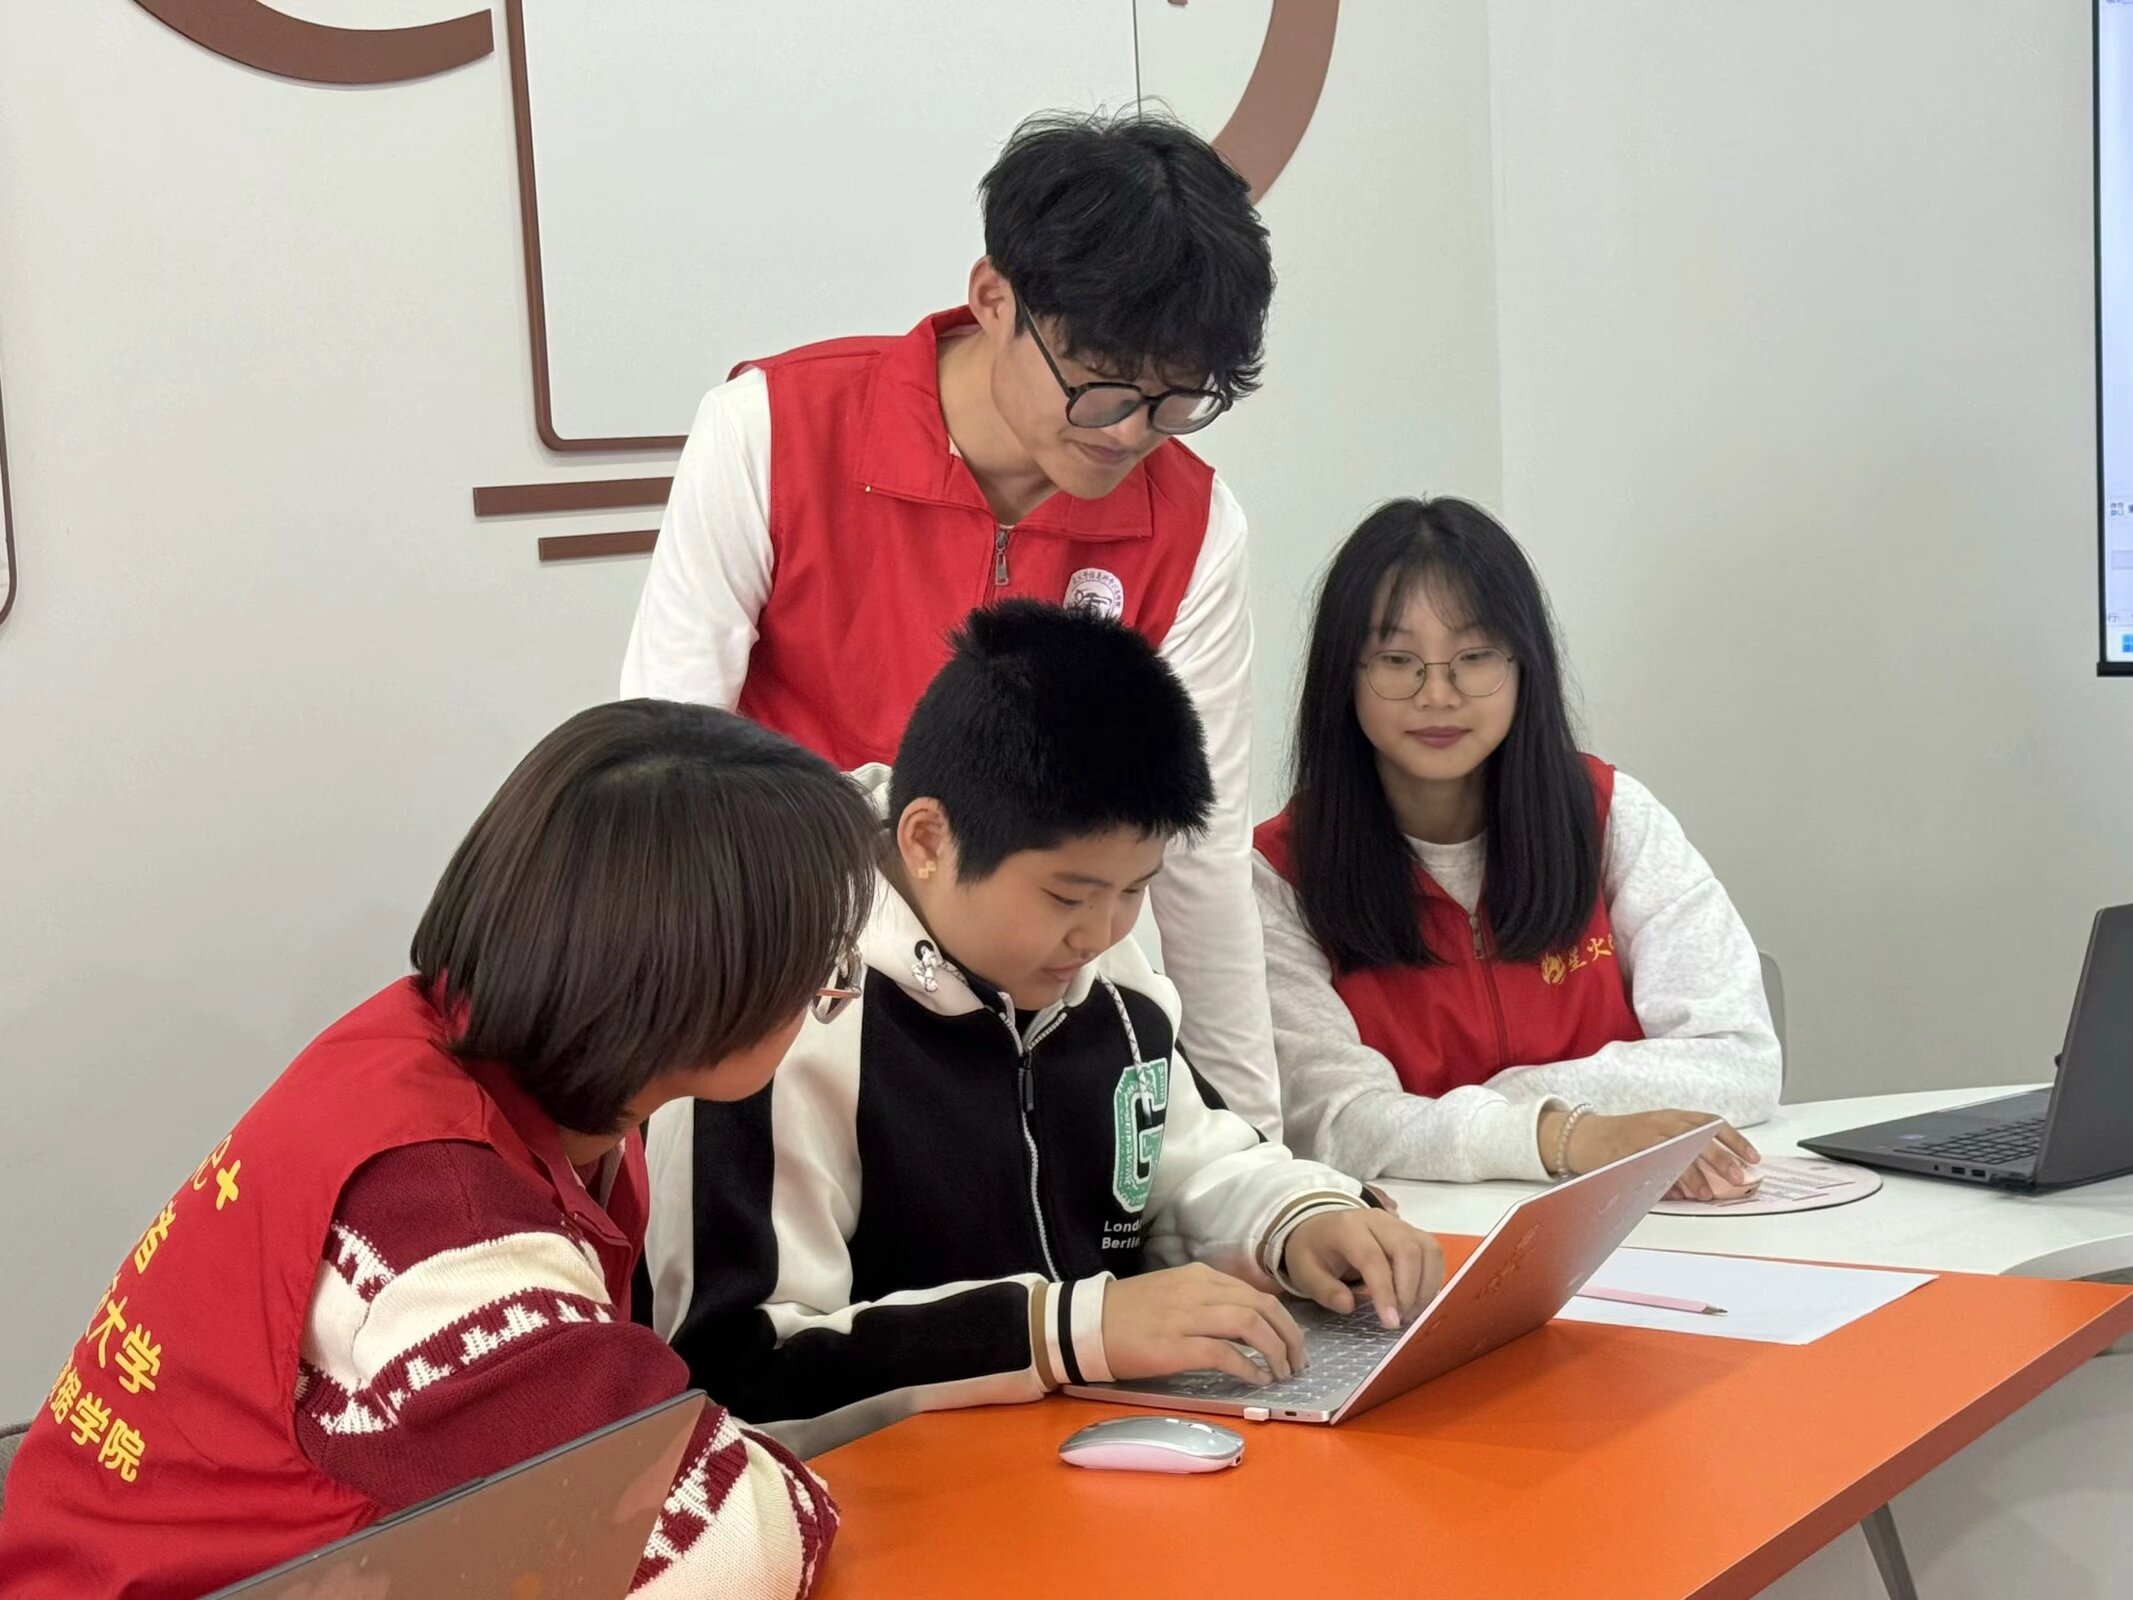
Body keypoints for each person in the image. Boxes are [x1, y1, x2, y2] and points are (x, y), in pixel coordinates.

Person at [0, 702, 876, 1600]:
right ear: (704, 990)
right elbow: (720, 1554)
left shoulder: (454, 1051)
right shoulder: (439, 1227)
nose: (828, 992)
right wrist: (777, 1481)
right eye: (821, 966)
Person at [619, 110, 1285, 1136]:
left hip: (1032, 1015)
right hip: (783, 988)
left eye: (1175, 401)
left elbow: (1199, 861)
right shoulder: (773, 431)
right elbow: (661, 770)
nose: (1129, 433)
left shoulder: (1193, 527)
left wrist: (1261, 1140)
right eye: (1101, 385)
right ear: (993, 298)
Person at [644, 603, 1445, 1455]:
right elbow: (739, 1374)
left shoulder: (1105, 978)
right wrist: (1062, 1330)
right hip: (890, 1494)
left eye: (1134, 889)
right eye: (1068, 896)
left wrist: (1299, 1218)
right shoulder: (777, 1016)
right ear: (927, 840)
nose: (1101, 933)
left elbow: (1187, 1163)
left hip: (1100, 1454)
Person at [1253, 498, 1782, 1191]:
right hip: (1424, 1238)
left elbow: (1740, 1057)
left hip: (1637, 1218)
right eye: (1396, 659)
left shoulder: (1611, 816)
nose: (1437, 694)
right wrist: (1562, 1134)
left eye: (1474, 657)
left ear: (1523, 663)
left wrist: (1508, 1104)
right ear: (1341, 677)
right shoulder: (1279, 875)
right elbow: (1338, 1123)